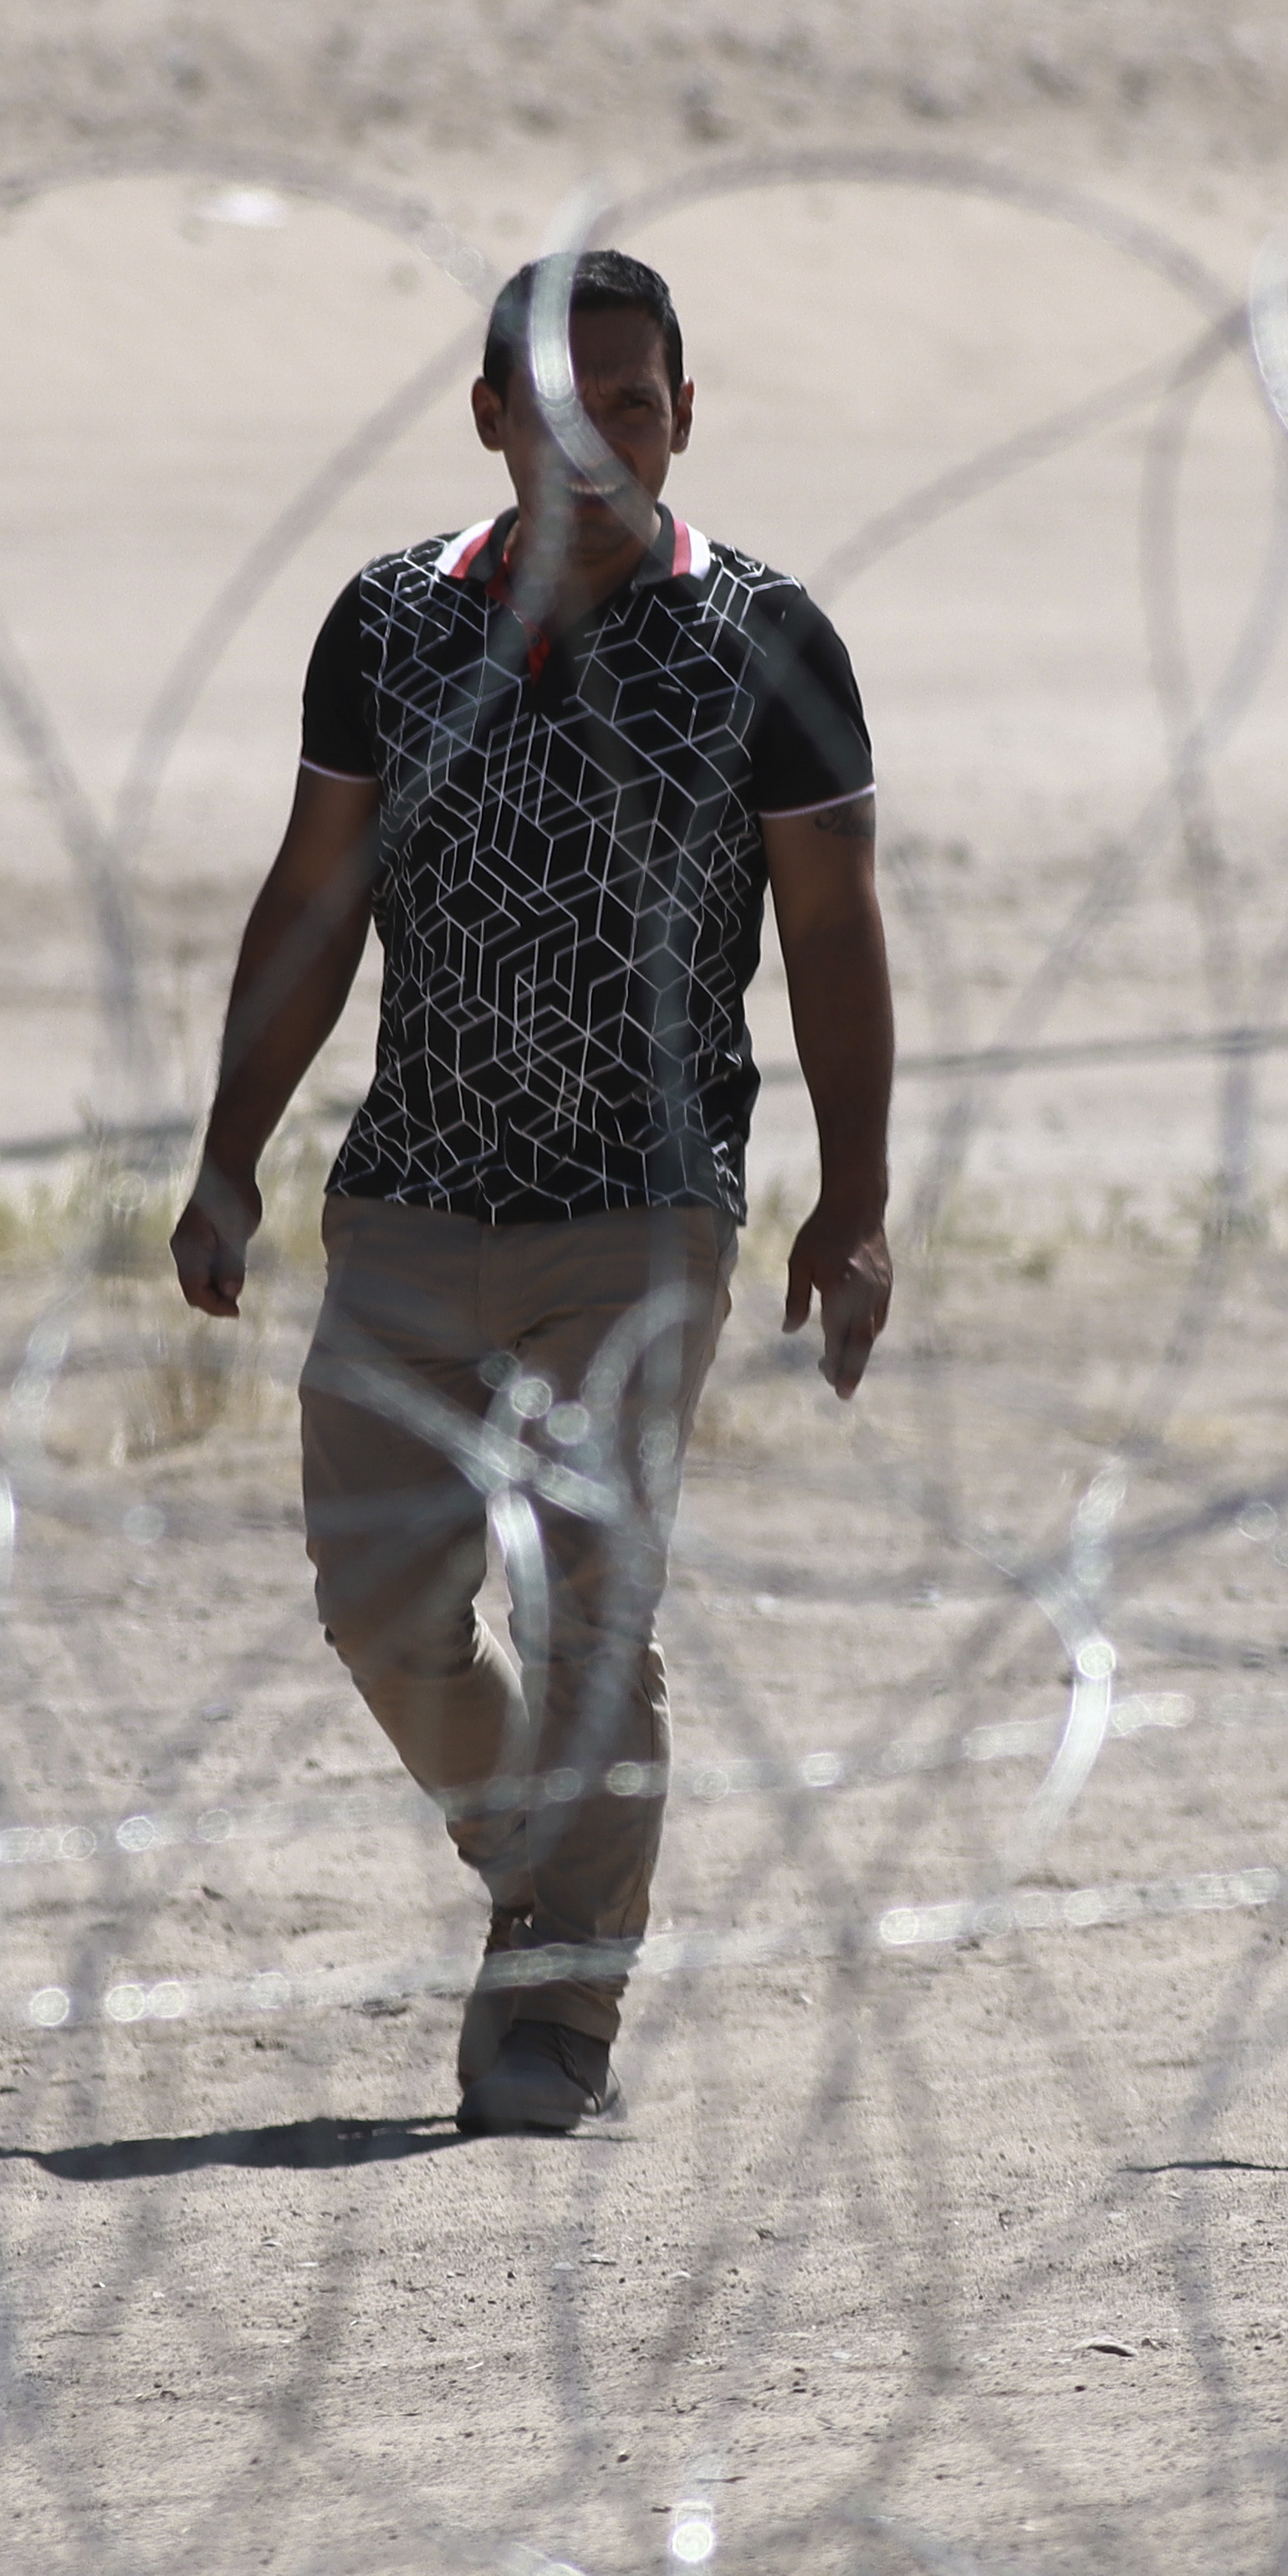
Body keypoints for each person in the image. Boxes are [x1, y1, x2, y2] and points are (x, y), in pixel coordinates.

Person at [172, 247, 896, 2139]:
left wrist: (857, 1194)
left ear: (684, 408)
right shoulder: (391, 620)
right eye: (560, 413)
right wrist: (228, 1155)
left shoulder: (764, 639)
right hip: (414, 1183)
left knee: (595, 1604)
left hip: (646, 1203)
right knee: (382, 1597)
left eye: (638, 406)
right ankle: (553, 1879)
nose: (602, 447)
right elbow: (314, 896)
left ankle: (557, 2003)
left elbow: (829, 926)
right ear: (492, 419)